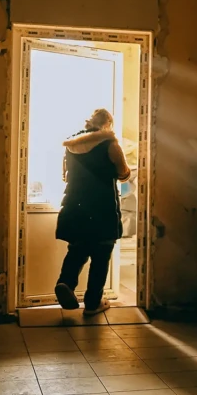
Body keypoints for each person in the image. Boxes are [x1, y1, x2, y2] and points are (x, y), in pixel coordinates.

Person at [54, 108, 131, 315]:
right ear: (107, 124)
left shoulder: (71, 145)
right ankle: (92, 302)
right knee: (101, 254)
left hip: (75, 205)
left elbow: (65, 175)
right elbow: (123, 173)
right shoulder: (110, 144)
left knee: (77, 249)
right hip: (102, 207)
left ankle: (65, 283)